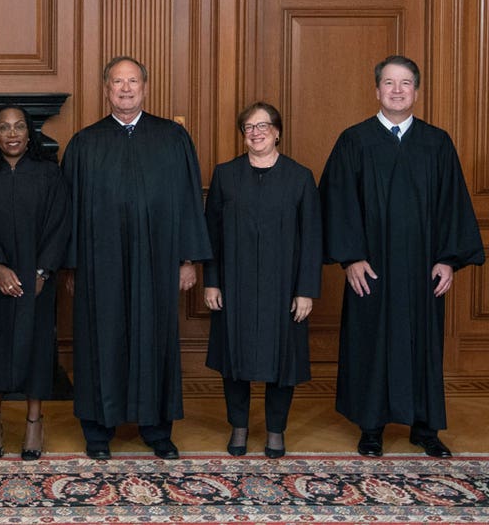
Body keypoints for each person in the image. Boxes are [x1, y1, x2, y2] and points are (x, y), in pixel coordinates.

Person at [320, 55, 483, 459]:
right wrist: (351, 257)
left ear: (416, 91)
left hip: (421, 268)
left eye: (405, 83)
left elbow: (453, 205)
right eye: (389, 83)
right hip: (371, 268)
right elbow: (337, 202)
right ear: (376, 90)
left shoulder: (437, 142)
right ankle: (371, 427)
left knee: (422, 342)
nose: (397, 90)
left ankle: (424, 427)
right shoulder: (354, 141)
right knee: (370, 342)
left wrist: (448, 258)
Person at [62, 56, 212, 460]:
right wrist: (72, 265)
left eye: (132, 82)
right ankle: (98, 429)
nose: (125, 89)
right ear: (105, 88)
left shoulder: (172, 138)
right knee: (100, 337)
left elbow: (188, 200)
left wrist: (188, 260)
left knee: (155, 337)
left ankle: (156, 429)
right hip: (99, 264)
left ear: (145, 87)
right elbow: (69, 210)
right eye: (117, 82)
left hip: (157, 260)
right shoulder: (85, 142)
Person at [202, 102, 322, 459]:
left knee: (282, 362)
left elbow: (312, 239)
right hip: (234, 285)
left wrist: (306, 291)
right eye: (248, 128)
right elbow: (212, 235)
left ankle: (275, 430)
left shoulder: (300, 177)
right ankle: (238, 426)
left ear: (278, 131)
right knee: (233, 360)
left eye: (263, 126)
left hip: (284, 287)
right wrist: (212, 281)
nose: (255, 133)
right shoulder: (225, 174)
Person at [0, 105, 70, 461]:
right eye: (4, 128)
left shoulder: (48, 174)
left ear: (30, 132)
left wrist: (42, 272)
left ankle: (34, 422)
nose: (12, 134)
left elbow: (60, 224)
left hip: (37, 278)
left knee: (36, 348)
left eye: (19, 127)